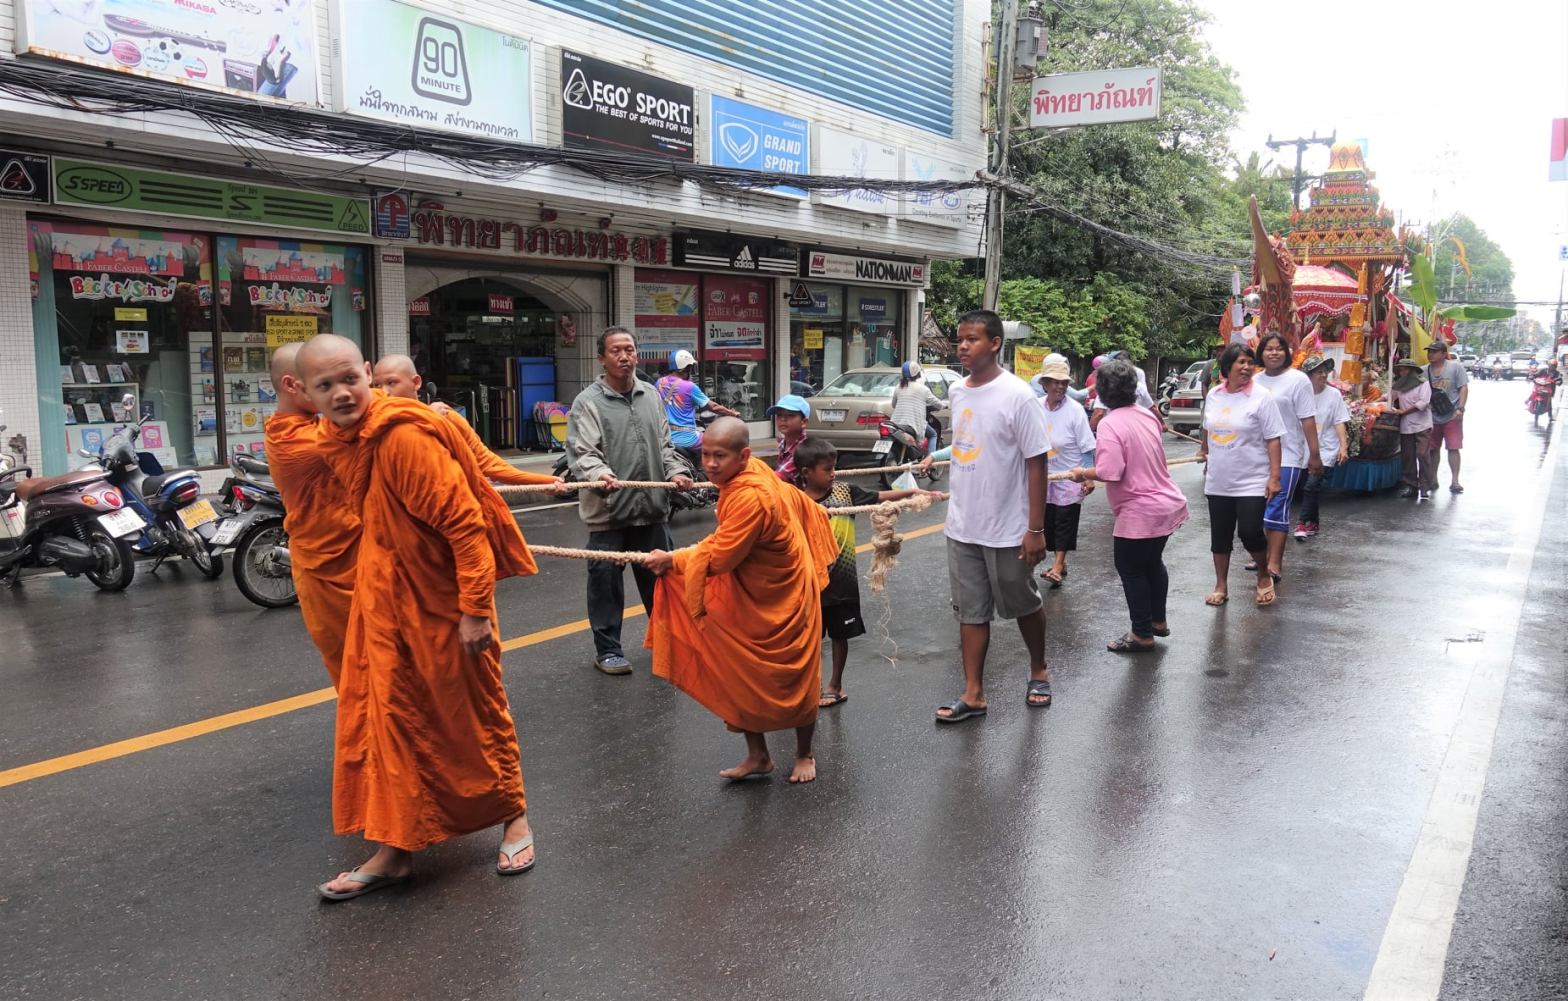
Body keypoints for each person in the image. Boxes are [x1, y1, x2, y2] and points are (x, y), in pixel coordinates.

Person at [295, 334, 539, 900]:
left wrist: (475, 610)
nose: (341, 393)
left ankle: (515, 820)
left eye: (350, 379)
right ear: (305, 392)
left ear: (368, 375)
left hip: (443, 606)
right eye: (325, 386)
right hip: (383, 605)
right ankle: (395, 851)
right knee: (390, 728)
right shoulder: (337, 438)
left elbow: (464, 526)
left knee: (473, 715)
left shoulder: (401, 438)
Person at [642, 418, 838, 783]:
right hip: (749, 592)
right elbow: (792, 502)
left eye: (720, 456)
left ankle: (804, 753)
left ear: (744, 455)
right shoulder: (751, 474)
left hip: (787, 594)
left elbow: (721, 556)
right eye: (706, 455)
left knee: (797, 677)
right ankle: (758, 755)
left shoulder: (750, 493)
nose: (711, 464)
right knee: (740, 672)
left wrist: (674, 560)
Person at [930, 310, 1052, 723]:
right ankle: (974, 692)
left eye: (972, 339)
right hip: (962, 525)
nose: (962, 346)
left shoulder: (1018, 396)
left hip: (1008, 527)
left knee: (1022, 602)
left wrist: (1035, 528)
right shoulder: (958, 392)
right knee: (970, 610)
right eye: (960, 339)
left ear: (995, 343)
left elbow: (1038, 464)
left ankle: (1038, 669)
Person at [568, 327, 694, 676]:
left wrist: (675, 473)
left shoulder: (651, 396)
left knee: (662, 584)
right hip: (608, 513)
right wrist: (600, 476)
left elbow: (665, 447)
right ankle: (607, 651)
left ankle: (667, 643)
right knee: (605, 585)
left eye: (630, 349)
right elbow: (583, 454)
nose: (625, 357)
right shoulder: (588, 402)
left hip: (652, 509)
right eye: (616, 351)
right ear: (602, 358)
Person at [792, 437, 926, 708]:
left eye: (834, 468)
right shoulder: (794, 500)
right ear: (806, 472)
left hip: (841, 583)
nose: (833, 474)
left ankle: (835, 685)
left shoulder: (844, 492)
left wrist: (914, 494)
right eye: (827, 469)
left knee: (840, 635)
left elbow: (879, 498)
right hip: (806, 584)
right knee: (808, 639)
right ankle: (810, 685)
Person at [1066, 359, 1189, 651]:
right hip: (1166, 502)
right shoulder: (1147, 416)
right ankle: (1157, 621)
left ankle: (1142, 633)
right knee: (1152, 562)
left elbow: (1111, 471)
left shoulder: (1110, 423)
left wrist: (1082, 473)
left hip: (1140, 509)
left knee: (1131, 568)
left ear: (1104, 393)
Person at [263, 342, 359, 688]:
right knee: (361, 677)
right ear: (293, 385)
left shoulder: (314, 426)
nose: (338, 393)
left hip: (355, 560)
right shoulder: (298, 438)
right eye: (323, 383)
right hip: (330, 570)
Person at [372, 353, 567, 491]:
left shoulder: (446, 418)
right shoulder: (370, 425)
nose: (384, 391)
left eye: (391, 383)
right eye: (377, 385)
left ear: (416, 382)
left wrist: (540, 481)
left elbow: (489, 464)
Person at [1198, 343, 1284, 607]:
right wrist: (1204, 448)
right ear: (1227, 367)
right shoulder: (1214, 395)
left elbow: (1273, 439)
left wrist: (1274, 477)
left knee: (1249, 531)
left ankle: (1262, 573)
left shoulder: (1261, 397)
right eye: (1241, 362)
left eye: (1250, 362)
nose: (1247, 367)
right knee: (1220, 535)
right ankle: (1221, 585)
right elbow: (1208, 427)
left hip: (1251, 480)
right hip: (1218, 480)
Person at [1252, 332, 1321, 582]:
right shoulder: (1254, 380)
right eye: (1268, 349)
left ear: (1286, 352)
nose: (1273, 353)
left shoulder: (1298, 380)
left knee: (1277, 507)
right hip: (1257, 455)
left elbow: (1307, 419)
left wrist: (1314, 455)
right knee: (1257, 508)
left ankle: (1274, 563)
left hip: (1289, 454)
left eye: (1279, 348)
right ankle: (1260, 555)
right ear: (1260, 352)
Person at [1037, 353, 1096, 587]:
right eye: (1055, 382)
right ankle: (1059, 560)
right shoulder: (1036, 407)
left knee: (1065, 521)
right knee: (1047, 522)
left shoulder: (1074, 410)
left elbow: (1087, 445)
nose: (1060, 386)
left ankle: (1059, 565)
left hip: (1070, 476)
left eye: (1063, 382)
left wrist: (1088, 476)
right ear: (1044, 383)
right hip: (1043, 476)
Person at [1295, 355, 1349, 540]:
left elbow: (1339, 421)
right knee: (1308, 486)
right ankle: (1314, 521)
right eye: (1319, 372)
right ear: (1308, 375)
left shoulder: (1333, 395)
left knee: (1311, 485)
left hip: (1326, 447)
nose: (1323, 375)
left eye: (1325, 371)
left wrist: (1343, 447)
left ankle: (1301, 523)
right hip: (1303, 446)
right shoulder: (1300, 393)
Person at [655, 349, 738, 459]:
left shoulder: (660, 382)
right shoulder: (690, 387)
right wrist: (731, 413)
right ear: (686, 368)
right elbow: (713, 407)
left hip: (665, 437)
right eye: (690, 367)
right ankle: (707, 473)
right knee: (721, 446)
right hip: (688, 438)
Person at [1423, 340, 1469, 494]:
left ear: (1444, 354)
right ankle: (1433, 479)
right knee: (1432, 449)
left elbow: (1463, 388)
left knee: (1453, 448)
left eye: (1434, 351)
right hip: (1432, 416)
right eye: (1429, 351)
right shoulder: (1424, 371)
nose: (1431, 354)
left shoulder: (1455, 367)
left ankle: (1455, 480)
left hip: (1452, 415)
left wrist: (1461, 408)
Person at [1388, 355, 1433, 500]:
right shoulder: (1399, 386)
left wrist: (1403, 412)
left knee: (1422, 455)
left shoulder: (1423, 384)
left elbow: (1423, 403)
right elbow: (1388, 397)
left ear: (1412, 371)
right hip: (1406, 426)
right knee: (1408, 457)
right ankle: (1411, 485)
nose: (1402, 373)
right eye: (1400, 370)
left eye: (1405, 370)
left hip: (1422, 425)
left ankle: (1425, 486)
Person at [1089, 349, 1156, 432]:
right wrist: (1161, 423)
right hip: (1138, 422)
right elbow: (1151, 407)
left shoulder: (1107, 387)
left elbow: (1099, 413)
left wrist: (1089, 430)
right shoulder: (1140, 386)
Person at [888, 361, 941, 461]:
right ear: (917, 373)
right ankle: (930, 461)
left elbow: (893, 405)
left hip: (896, 423)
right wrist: (945, 405)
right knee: (933, 434)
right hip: (912, 424)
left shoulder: (898, 387)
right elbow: (937, 403)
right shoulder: (923, 389)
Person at [768, 394, 811, 483]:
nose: (783, 419)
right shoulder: (783, 443)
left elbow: (777, 478)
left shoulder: (803, 450)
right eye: (779, 415)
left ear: (804, 422)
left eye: (790, 415)